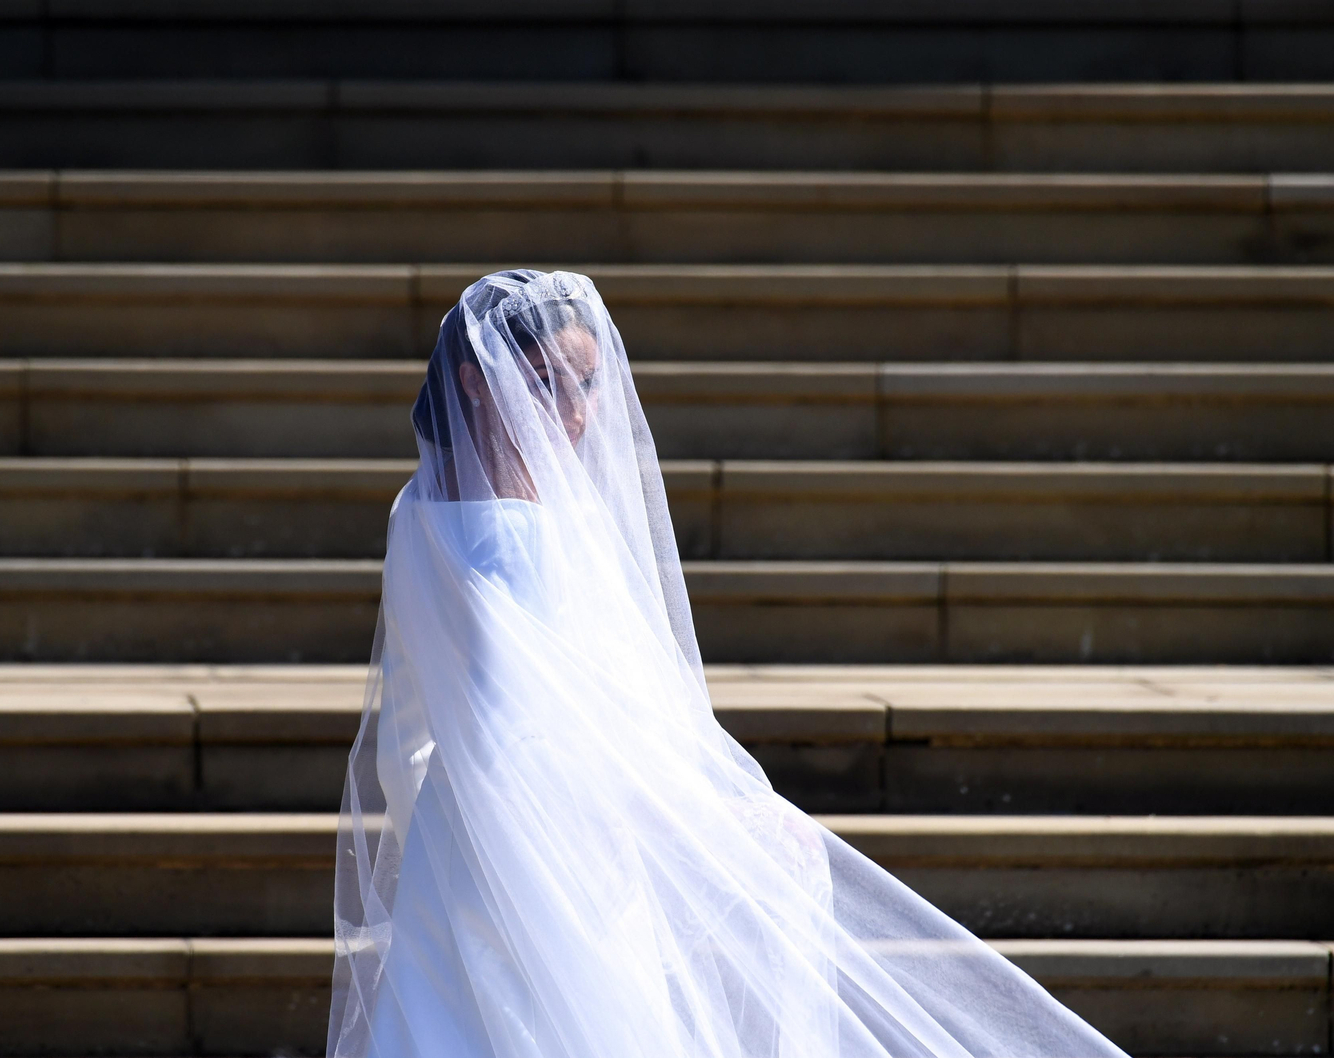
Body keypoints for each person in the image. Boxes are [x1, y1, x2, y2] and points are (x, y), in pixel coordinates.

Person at [329, 270, 1126, 1058]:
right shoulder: (511, 539)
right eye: (546, 382)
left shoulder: (420, 508)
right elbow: (533, 738)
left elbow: (418, 719)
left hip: (463, 839)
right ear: (475, 382)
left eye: (588, 382)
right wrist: (691, 824)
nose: (575, 412)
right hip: (549, 854)